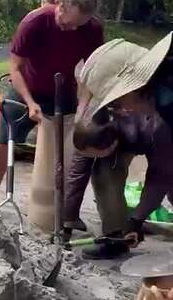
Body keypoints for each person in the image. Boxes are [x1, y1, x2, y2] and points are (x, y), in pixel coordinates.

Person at [0, 0, 104, 217]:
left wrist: (83, 107)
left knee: (67, 150)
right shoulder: (35, 22)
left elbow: (92, 71)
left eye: (78, 26)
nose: (70, 29)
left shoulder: (92, 30)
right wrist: (29, 102)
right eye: (67, 23)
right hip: (26, 87)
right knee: (5, 143)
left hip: (63, 91)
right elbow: (15, 68)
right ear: (59, 5)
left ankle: (65, 212)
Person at [64, 33, 173, 257]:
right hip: (135, 139)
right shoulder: (103, 118)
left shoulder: (166, 110)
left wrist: (137, 218)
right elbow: (78, 166)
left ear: (134, 86)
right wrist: (67, 217)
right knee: (105, 170)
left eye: (118, 100)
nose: (119, 108)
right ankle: (115, 239)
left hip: (161, 140)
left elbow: (161, 175)